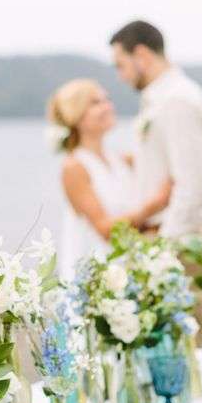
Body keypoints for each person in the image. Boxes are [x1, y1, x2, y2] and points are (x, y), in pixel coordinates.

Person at [47, 78, 172, 277]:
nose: (108, 106)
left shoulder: (121, 159)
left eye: (107, 99)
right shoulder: (74, 167)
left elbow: (135, 222)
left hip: (126, 271)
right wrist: (154, 205)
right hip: (95, 277)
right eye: (96, 103)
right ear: (75, 114)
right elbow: (105, 230)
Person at [110, 19, 202, 238]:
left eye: (121, 65)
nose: (121, 76)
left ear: (142, 55)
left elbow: (191, 186)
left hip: (173, 241)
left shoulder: (177, 101)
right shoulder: (161, 99)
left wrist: (163, 250)